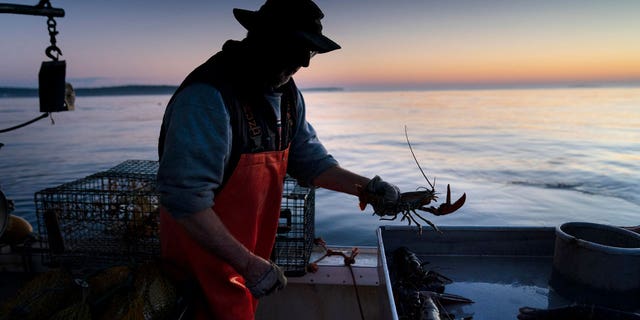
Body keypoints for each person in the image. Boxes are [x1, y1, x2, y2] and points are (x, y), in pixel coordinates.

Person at [157, 0, 401, 319]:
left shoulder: (286, 93)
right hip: (198, 274)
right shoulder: (208, 99)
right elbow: (184, 200)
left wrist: (368, 188)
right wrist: (248, 264)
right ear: (260, 38)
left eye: (309, 53)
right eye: (295, 50)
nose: (303, 64)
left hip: (246, 267)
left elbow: (312, 162)